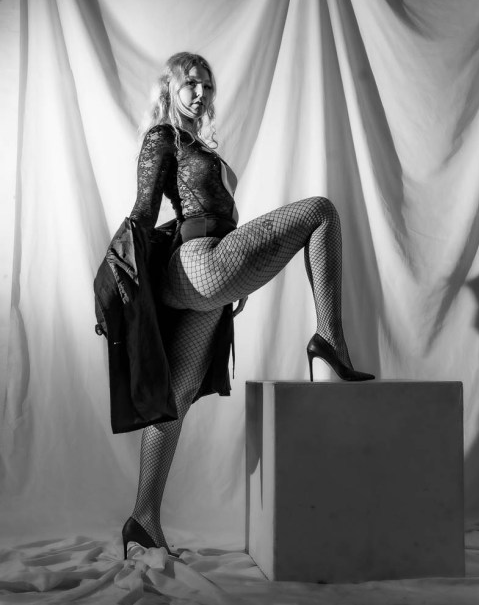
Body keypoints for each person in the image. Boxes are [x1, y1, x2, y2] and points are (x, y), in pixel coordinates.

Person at [121, 51, 374, 559]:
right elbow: (143, 212)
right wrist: (119, 280)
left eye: (208, 86)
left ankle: (143, 519)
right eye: (190, 83)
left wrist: (239, 281)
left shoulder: (199, 146)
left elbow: (224, 221)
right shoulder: (163, 138)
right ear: (170, 88)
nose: (200, 93)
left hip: (214, 268)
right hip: (197, 262)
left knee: (179, 393)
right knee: (321, 212)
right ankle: (328, 340)